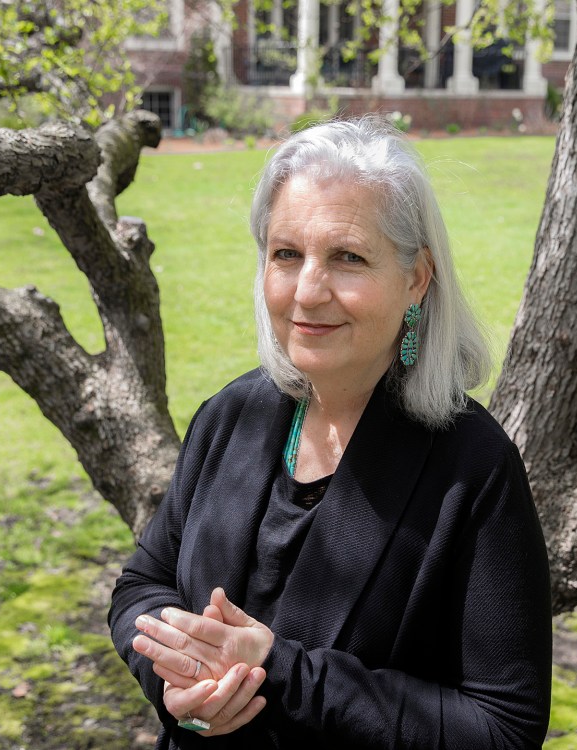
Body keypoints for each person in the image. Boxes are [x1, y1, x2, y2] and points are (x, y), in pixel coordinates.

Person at [109, 116, 552, 749]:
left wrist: (280, 673)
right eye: (287, 254)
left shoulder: (472, 469)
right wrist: (178, 679)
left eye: (348, 257)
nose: (309, 291)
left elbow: (504, 729)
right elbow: (141, 587)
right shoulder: (231, 417)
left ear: (416, 278)